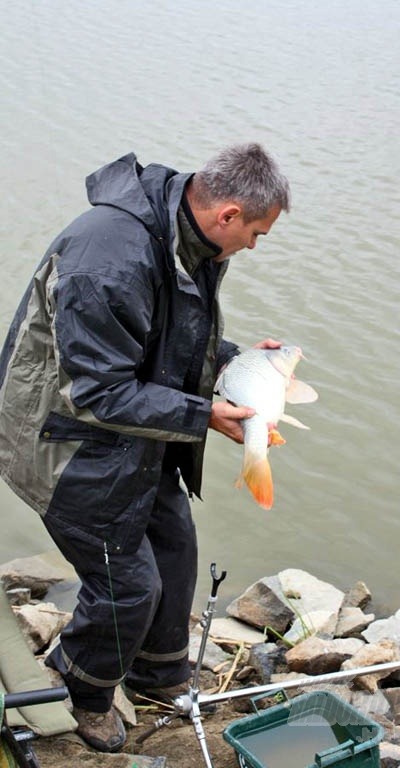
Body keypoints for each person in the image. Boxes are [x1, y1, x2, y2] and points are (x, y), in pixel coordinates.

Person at [0, 143, 290, 752]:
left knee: (176, 545)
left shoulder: (192, 238)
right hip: (61, 439)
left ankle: (157, 674)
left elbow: (167, 335)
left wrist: (236, 364)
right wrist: (203, 414)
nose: (254, 246)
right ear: (229, 214)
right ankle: (84, 690)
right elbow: (99, 390)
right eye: (257, 233)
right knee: (128, 586)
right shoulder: (110, 255)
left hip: (128, 424)